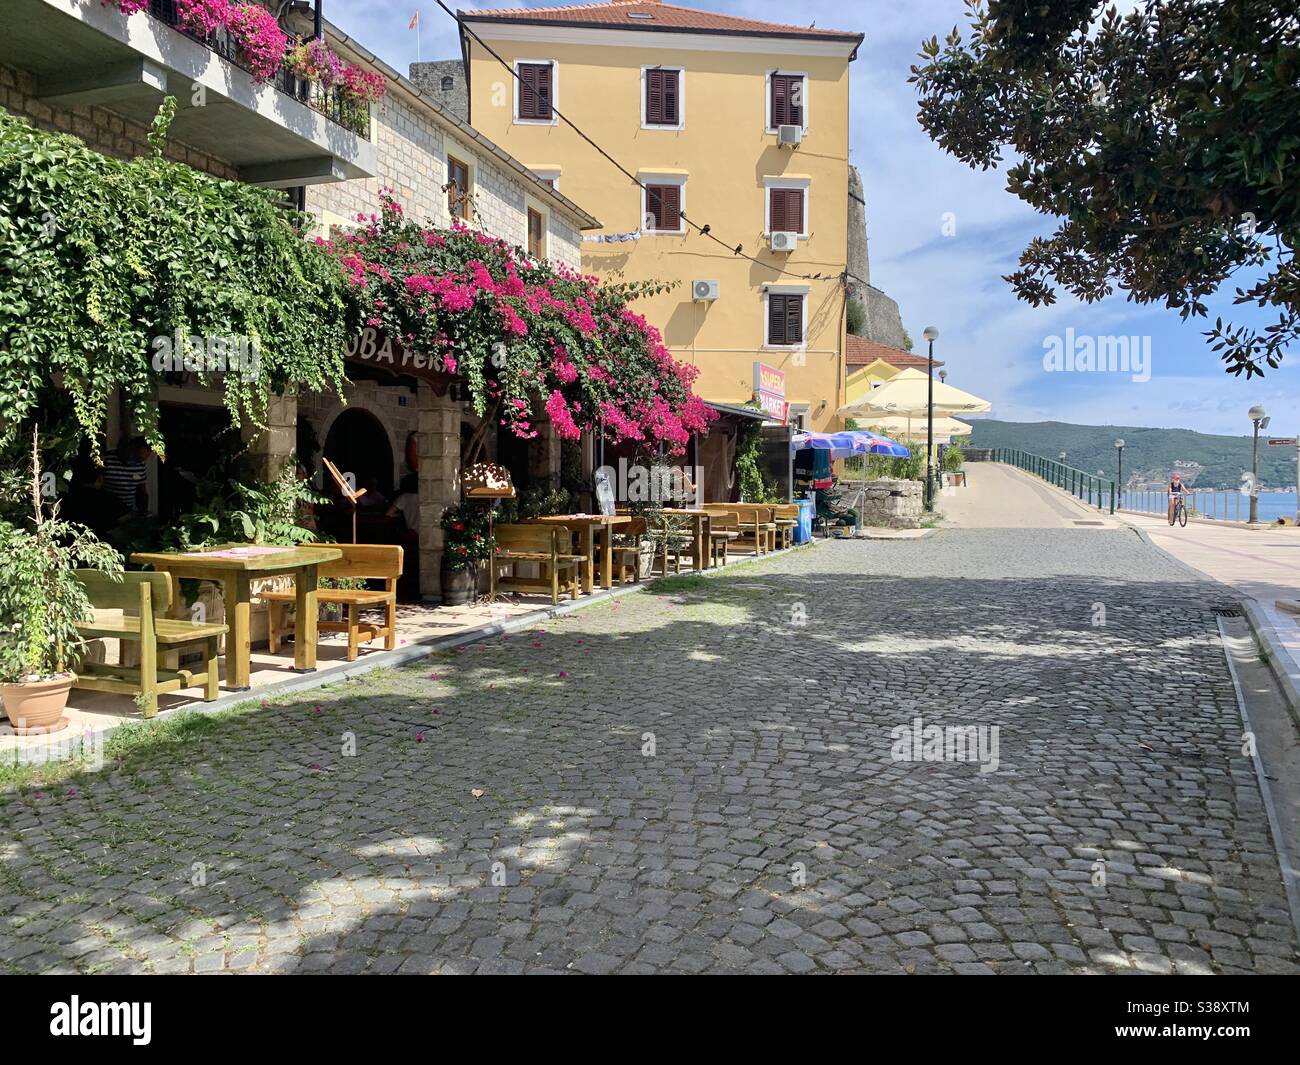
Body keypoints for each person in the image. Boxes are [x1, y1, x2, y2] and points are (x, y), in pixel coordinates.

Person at [101, 436, 150, 513]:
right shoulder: (106, 459)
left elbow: (141, 491)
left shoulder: (140, 465)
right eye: (137, 457)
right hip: (105, 510)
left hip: (126, 512)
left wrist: (144, 512)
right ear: (131, 448)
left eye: (142, 459)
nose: (139, 462)